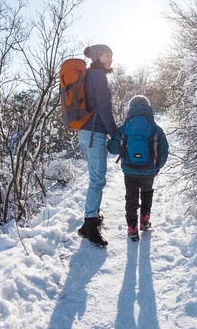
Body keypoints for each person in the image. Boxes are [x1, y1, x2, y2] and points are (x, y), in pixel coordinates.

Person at [107, 95, 169, 242]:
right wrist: (157, 167)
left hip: (129, 170)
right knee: (147, 194)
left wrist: (111, 140)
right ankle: (145, 222)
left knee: (131, 198)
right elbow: (164, 151)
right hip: (148, 170)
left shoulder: (125, 127)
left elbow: (113, 149)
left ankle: (132, 229)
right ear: (148, 108)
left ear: (131, 108)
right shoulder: (155, 128)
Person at [77, 44, 117, 248]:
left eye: (111, 55)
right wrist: (115, 132)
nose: (110, 59)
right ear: (96, 57)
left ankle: (91, 219)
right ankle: (89, 226)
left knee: (96, 177)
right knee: (97, 180)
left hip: (86, 132)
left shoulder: (89, 75)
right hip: (94, 133)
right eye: (106, 55)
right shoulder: (98, 77)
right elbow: (104, 109)